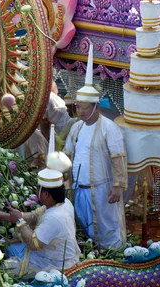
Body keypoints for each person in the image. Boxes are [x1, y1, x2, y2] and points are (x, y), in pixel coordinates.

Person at [64, 47, 127, 249]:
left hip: (103, 190)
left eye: (83, 107)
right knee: (84, 230)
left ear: (95, 107)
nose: (79, 111)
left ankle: (115, 264)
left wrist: (118, 185)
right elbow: (67, 155)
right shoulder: (76, 127)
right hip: (79, 190)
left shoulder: (110, 129)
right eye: (77, 107)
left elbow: (118, 157)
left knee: (108, 231)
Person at [0, 153, 80, 278]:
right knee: (11, 248)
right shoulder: (63, 202)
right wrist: (7, 216)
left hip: (56, 264)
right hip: (55, 253)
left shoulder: (54, 217)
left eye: (38, 189)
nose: (35, 191)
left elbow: (35, 244)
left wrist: (20, 221)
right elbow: (35, 216)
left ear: (47, 194)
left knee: (6, 268)